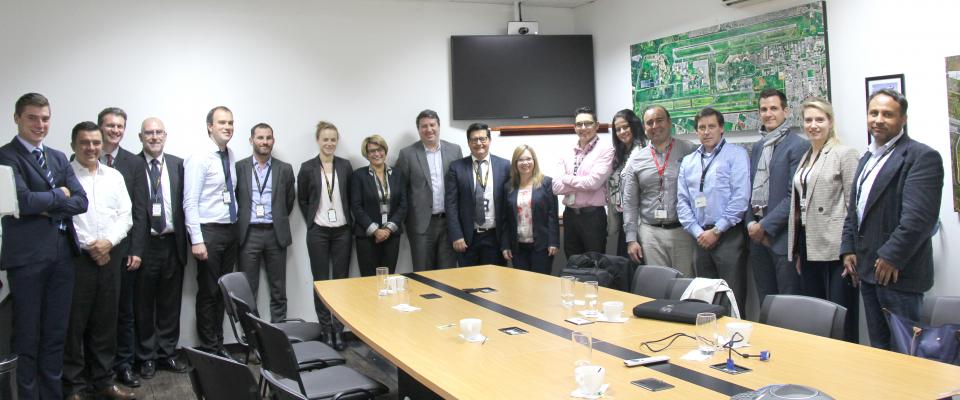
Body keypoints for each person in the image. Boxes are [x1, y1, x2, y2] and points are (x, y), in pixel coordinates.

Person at [0, 93, 88, 400]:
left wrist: (47, 204)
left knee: (55, 335)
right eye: (32, 118)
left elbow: (81, 202)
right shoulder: (6, 157)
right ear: (17, 118)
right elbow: (22, 202)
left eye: (45, 118)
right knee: (27, 337)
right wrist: (60, 194)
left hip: (62, 257)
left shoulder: (59, 157)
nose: (40, 124)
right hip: (27, 260)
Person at [840, 89, 943, 350]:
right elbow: (855, 210)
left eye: (887, 114)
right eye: (873, 113)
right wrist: (848, 248)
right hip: (868, 272)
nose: (878, 120)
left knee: (907, 352)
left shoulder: (921, 157)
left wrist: (891, 257)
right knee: (881, 351)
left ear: (903, 119)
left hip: (899, 275)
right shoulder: (868, 157)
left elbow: (919, 219)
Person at [62, 121, 136, 400]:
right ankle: (74, 387)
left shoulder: (114, 176)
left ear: (102, 145)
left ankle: (104, 381)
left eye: (96, 142)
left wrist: (108, 243)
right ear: (73, 145)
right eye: (84, 142)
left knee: (106, 322)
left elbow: (125, 215)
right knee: (74, 325)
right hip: (77, 258)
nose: (91, 147)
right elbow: (64, 216)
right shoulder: (64, 175)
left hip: (110, 256)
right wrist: (91, 245)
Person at [786, 99, 860, 343]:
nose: (813, 125)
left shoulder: (844, 153)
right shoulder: (807, 156)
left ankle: (847, 361)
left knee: (841, 314)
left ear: (830, 122)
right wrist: (797, 248)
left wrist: (850, 248)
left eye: (819, 119)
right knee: (815, 314)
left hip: (836, 246)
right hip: (808, 243)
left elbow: (854, 205)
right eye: (808, 120)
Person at [677, 107, 750, 316]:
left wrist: (717, 231)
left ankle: (736, 334)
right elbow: (682, 201)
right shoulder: (689, 161)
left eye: (711, 126)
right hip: (700, 238)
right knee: (704, 299)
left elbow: (740, 198)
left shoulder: (736, 155)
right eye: (702, 127)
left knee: (733, 297)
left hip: (728, 236)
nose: (706, 132)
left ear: (721, 128)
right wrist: (698, 232)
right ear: (696, 131)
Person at [98, 107, 149, 389]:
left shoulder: (134, 163)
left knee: (124, 312)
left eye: (120, 126)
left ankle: (125, 365)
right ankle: (98, 369)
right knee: (96, 314)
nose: (115, 130)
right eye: (110, 125)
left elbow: (140, 211)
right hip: (93, 251)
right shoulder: (84, 157)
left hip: (125, 250)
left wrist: (137, 249)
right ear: (100, 127)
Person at [134, 118, 189, 378]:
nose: (154, 137)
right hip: (144, 245)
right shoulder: (132, 165)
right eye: (149, 133)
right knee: (143, 304)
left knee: (170, 303)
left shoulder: (179, 164)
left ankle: (167, 353)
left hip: (172, 243)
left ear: (165, 136)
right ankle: (146, 356)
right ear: (140, 137)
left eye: (158, 132)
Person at [183, 106, 239, 358]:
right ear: (210, 126)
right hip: (209, 232)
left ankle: (219, 343)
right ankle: (210, 350)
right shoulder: (199, 157)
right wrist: (197, 240)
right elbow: (190, 202)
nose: (227, 127)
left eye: (230, 123)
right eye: (222, 122)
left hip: (229, 231)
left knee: (223, 292)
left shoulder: (229, 155)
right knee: (208, 292)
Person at [747, 89, 810, 306]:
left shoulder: (798, 146)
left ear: (786, 111)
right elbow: (750, 189)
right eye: (763, 109)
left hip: (783, 240)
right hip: (757, 240)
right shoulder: (758, 146)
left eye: (773, 108)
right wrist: (751, 224)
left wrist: (764, 226)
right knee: (765, 302)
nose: (768, 114)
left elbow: (794, 196)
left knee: (787, 305)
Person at [621, 105, 697, 276]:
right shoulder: (637, 160)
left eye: (659, 120)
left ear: (669, 122)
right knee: (659, 283)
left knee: (686, 282)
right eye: (650, 123)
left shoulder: (689, 150)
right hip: (650, 234)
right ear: (644, 128)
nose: (655, 126)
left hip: (683, 231)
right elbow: (630, 202)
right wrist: (631, 239)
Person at [298, 121, 353, 350]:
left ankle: (338, 329)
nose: (329, 143)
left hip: (343, 231)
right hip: (318, 231)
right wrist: (312, 221)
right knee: (320, 282)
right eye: (325, 139)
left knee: (341, 282)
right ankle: (326, 330)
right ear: (318, 141)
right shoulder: (307, 167)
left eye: (333, 139)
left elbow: (351, 195)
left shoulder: (345, 166)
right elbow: (302, 199)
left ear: (337, 141)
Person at [236, 123, 296, 322]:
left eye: (268, 138)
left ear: (273, 140)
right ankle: (252, 335)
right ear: (251, 140)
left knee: (278, 289)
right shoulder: (239, 167)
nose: (264, 142)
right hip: (248, 234)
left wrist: (276, 218)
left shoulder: (284, 169)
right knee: (247, 289)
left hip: (275, 234)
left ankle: (278, 331)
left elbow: (289, 201)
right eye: (260, 137)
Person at [395, 109, 462, 270]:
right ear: (418, 129)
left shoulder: (455, 150)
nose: (429, 129)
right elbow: (400, 190)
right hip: (421, 225)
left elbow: (460, 186)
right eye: (424, 126)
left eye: (432, 125)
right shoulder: (407, 154)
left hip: (449, 224)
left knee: (447, 273)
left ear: (439, 126)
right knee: (423, 272)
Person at [445, 123, 510, 266]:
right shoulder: (456, 167)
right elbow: (451, 205)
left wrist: (506, 240)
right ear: (468, 142)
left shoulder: (504, 166)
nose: (479, 143)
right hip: (467, 238)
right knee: (469, 279)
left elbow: (508, 208)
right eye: (474, 139)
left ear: (489, 140)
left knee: (495, 278)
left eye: (483, 139)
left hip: (495, 237)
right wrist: (456, 235)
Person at [553, 106, 615, 258]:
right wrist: (581, 183)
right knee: (572, 261)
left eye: (587, 123)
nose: (583, 128)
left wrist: (566, 179)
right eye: (579, 124)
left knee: (594, 263)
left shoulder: (606, 150)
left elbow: (593, 183)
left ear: (597, 125)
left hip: (593, 217)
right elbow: (555, 187)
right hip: (570, 216)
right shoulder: (566, 150)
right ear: (574, 127)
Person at [350, 135, 408, 276]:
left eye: (380, 149)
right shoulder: (358, 175)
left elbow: (403, 204)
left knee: (388, 277)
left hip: (391, 235)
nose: (377, 154)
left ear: (385, 151)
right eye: (372, 151)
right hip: (366, 236)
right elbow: (356, 206)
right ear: (366, 154)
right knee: (368, 279)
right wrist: (375, 231)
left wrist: (388, 229)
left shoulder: (398, 174)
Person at [500, 144, 559, 274]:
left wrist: (553, 242)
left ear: (534, 161)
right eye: (520, 160)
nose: (525, 163)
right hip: (517, 247)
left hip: (542, 246)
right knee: (521, 283)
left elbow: (552, 215)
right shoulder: (508, 187)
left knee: (540, 282)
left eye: (528, 159)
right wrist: (505, 245)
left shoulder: (546, 183)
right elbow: (505, 219)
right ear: (515, 163)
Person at [608, 109, 646, 258]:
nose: (622, 132)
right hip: (624, 217)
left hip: (640, 219)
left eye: (626, 127)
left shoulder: (643, 150)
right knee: (625, 264)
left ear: (634, 125)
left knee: (639, 262)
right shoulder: (620, 154)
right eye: (618, 129)